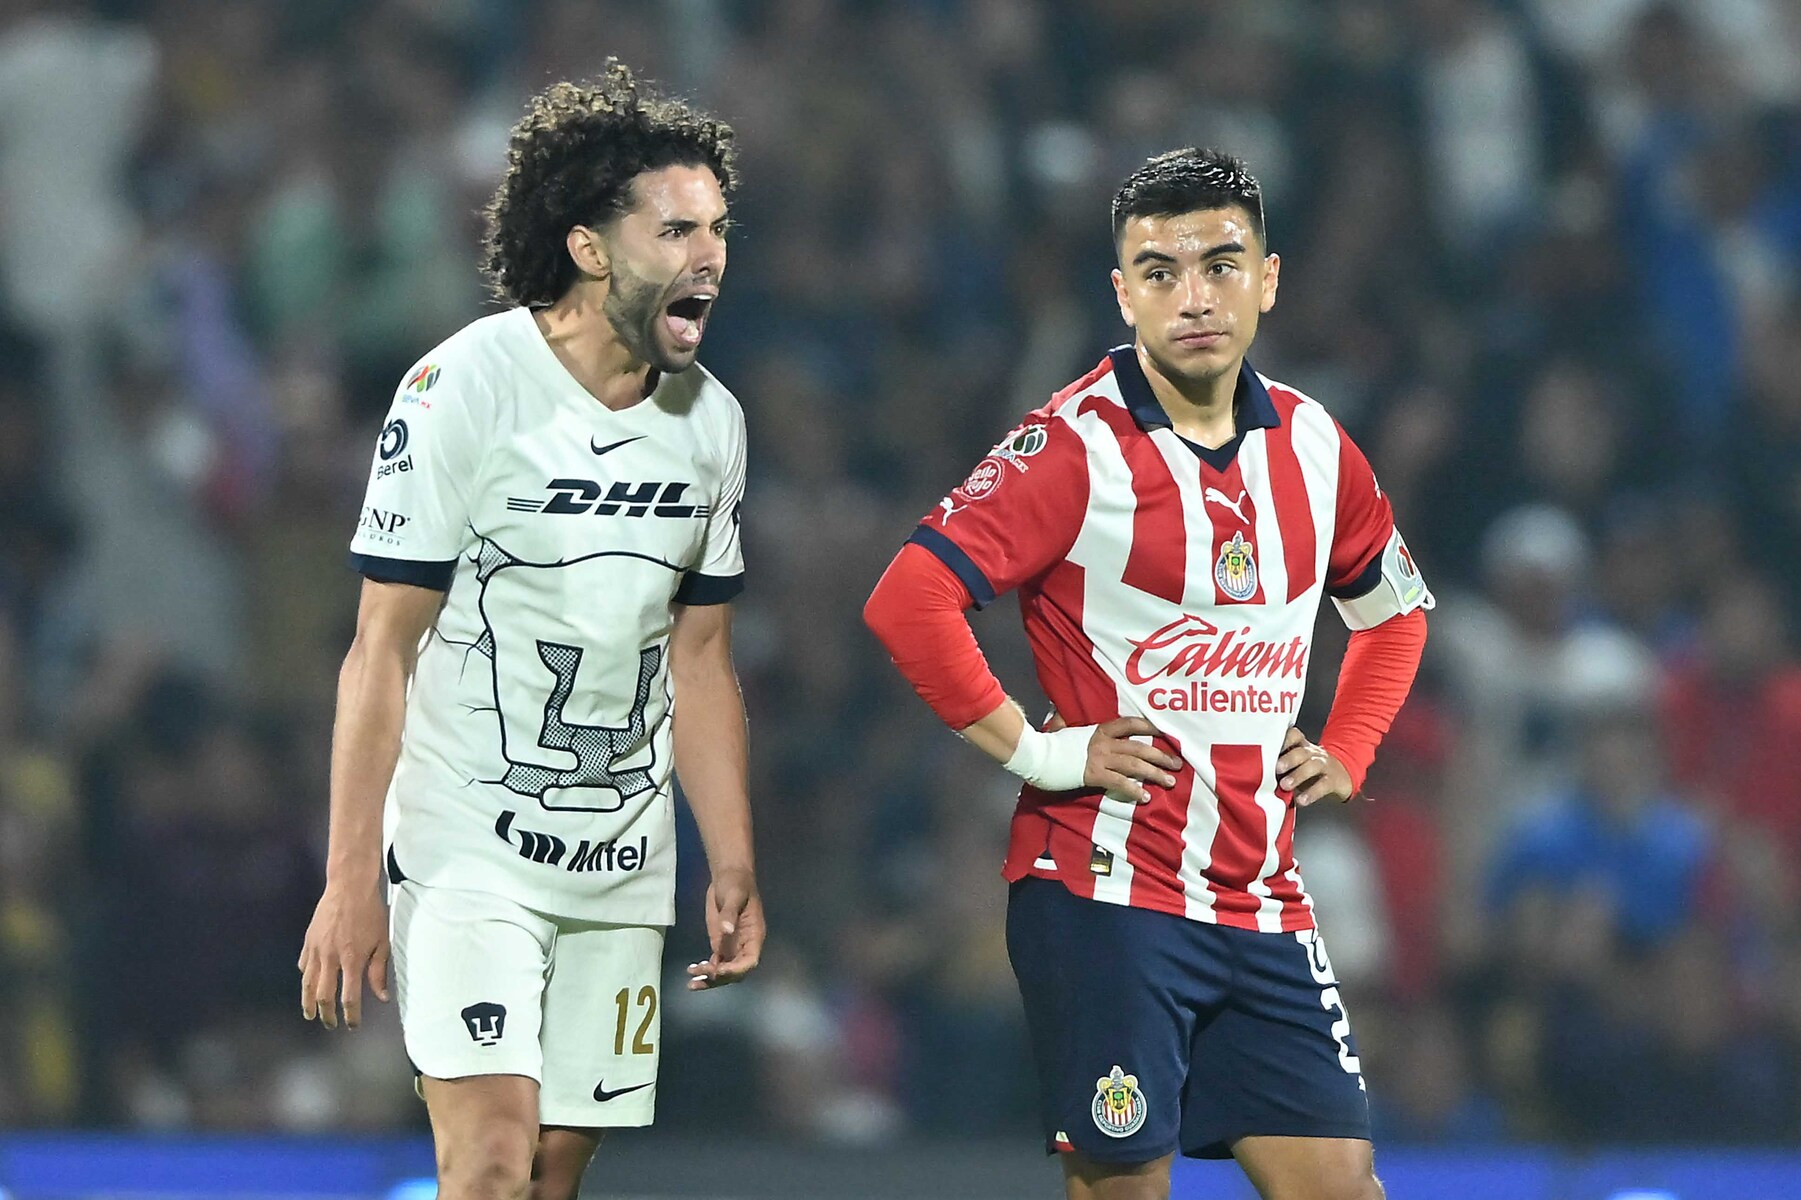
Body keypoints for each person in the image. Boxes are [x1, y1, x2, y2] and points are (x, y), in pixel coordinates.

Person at [865, 148, 1432, 1200]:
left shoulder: (1316, 444)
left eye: (1220, 265)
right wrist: (1037, 754)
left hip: (1261, 897)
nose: (1194, 297)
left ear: (1267, 279)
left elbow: (1393, 615)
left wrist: (1349, 749)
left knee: (1343, 1189)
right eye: (1160, 272)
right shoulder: (1071, 446)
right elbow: (908, 600)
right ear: (1123, 294)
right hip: (1104, 895)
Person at [296, 63, 764, 1200]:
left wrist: (733, 857)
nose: (707, 254)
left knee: (551, 1176)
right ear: (590, 247)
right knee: (492, 1160)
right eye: (675, 229)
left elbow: (699, 657)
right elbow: (380, 648)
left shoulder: (711, 424)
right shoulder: (462, 389)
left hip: (620, 861)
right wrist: (350, 877)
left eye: (717, 228)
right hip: (468, 849)